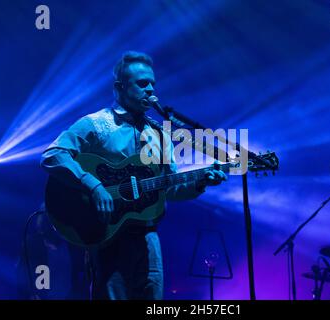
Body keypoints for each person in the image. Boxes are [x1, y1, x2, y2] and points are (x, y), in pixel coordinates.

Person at [40, 51, 227, 300]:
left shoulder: (159, 133)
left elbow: (168, 188)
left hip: (148, 237)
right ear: (119, 87)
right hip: (106, 235)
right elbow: (53, 155)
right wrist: (92, 185)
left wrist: (202, 181)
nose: (150, 89)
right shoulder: (96, 124)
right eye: (142, 83)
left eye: (152, 83)